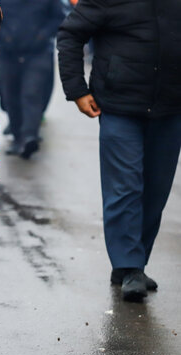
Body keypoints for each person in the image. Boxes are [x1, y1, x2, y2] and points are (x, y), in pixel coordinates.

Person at [57, 0, 181, 302]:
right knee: (125, 186)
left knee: (156, 190)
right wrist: (77, 90)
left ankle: (131, 261)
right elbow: (70, 35)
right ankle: (129, 265)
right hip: (119, 107)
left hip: (171, 106)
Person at [0, 0, 65, 159]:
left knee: (31, 94)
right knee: (9, 96)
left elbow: (58, 19)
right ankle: (17, 135)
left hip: (38, 54)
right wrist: (3, 36)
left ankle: (28, 137)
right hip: (8, 54)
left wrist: (42, 35)